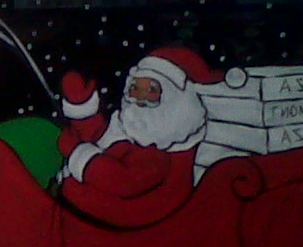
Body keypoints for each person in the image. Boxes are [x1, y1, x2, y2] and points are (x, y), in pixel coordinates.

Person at [56, 46, 224, 228]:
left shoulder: (159, 153)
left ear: (172, 101)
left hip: (129, 218)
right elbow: (102, 135)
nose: (140, 98)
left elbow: (123, 181)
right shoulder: (134, 127)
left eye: (151, 90)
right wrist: (81, 107)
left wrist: (77, 153)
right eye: (135, 88)